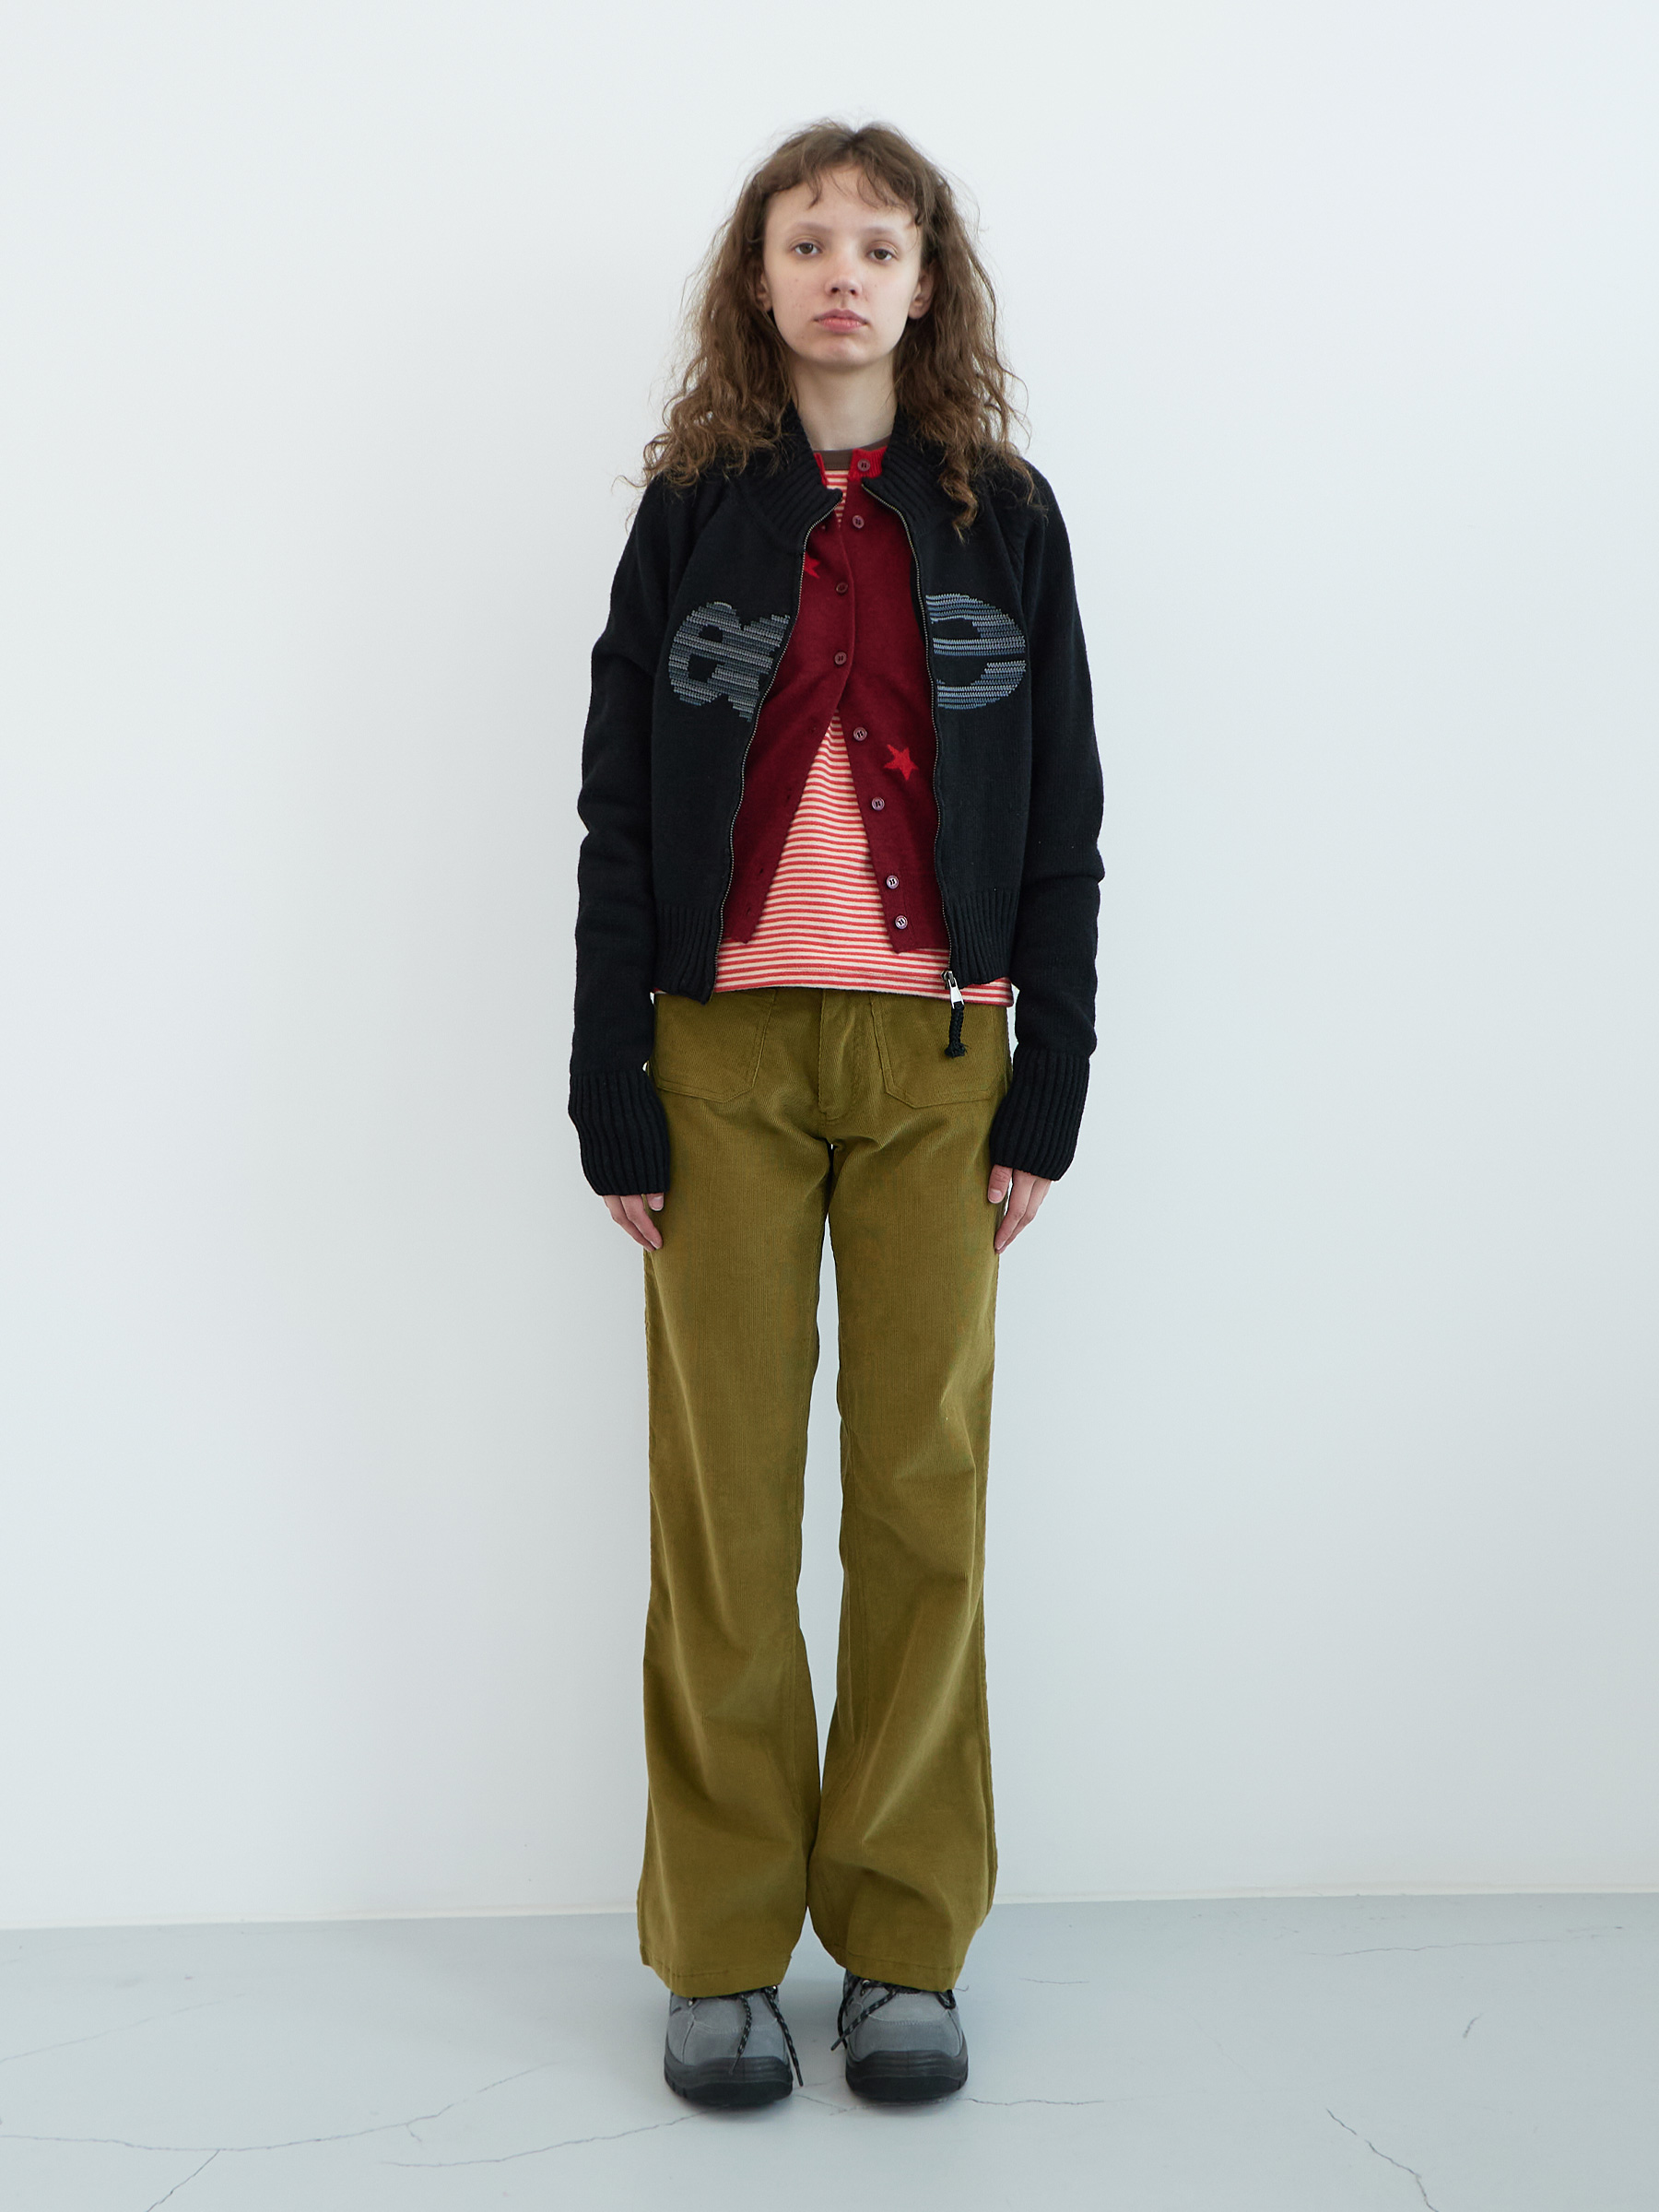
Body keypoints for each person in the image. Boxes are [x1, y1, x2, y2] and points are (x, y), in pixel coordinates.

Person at [569, 119, 1102, 2108]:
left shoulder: (1007, 518)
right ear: (759, 279)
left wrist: (1052, 1079)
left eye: (880, 244)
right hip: (717, 1063)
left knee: (918, 1502)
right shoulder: (694, 514)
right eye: (808, 242)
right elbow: (620, 807)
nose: (844, 274)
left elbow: (1066, 817)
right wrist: (608, 1079)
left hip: (940, 1071)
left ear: (928, 283)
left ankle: (902, 1944)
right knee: (725, 1515)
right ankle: (718, 1950)